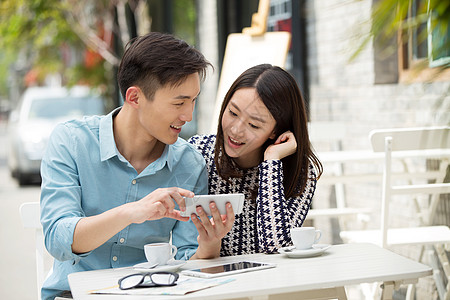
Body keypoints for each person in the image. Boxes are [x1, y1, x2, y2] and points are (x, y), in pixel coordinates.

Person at [40, 32, 234, 300]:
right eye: (179, 102)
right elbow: (58, 239)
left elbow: (190, 260)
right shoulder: (72, 141)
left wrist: (210, 243)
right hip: (73, 295)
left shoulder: (188, 163)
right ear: (134, 98)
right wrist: (132, 212)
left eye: (193, 101)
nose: (188, 116)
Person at [188, 64, 323, 256]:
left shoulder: (299, 172)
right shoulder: (198, 152)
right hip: (213, 281)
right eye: (233, 113)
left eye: (254, 124)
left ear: (275, 131)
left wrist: (271, 161)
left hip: (274, 282)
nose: (236, 130)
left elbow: (277, 247)